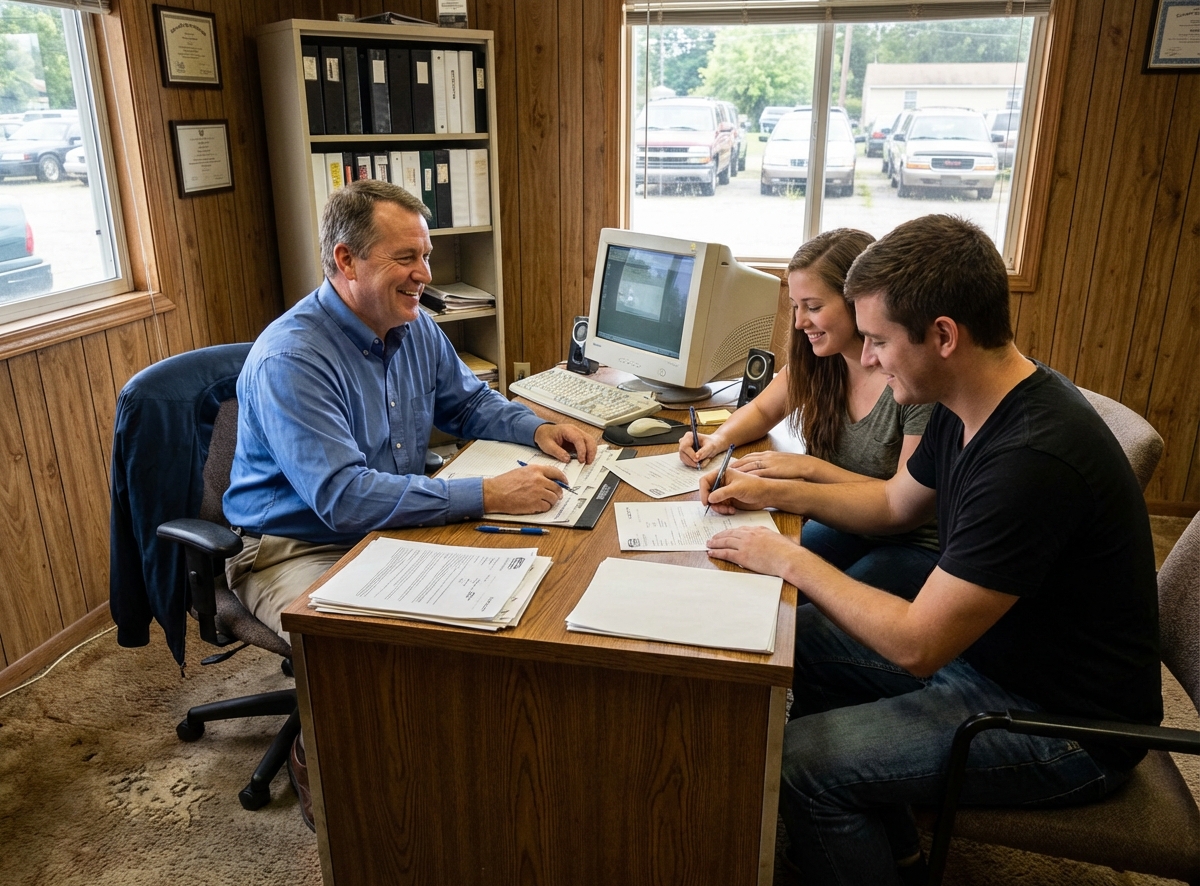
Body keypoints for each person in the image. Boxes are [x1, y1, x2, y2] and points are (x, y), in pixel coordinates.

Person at [703, 215, 1161, 886]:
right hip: (993, 657)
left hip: (1066, 727)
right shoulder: (965, 400)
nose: (870, 358)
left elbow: (919, 645)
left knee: (802, 764)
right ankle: (890, 854)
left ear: (943, 335)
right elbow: (894, 506)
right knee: (788, 636)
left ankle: (854, 836)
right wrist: (779, 498)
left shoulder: (1031, 459)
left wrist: (789, 559)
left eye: (882, 341)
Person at [223, 179, 595, 640]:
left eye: (426, 255)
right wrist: (487, 494)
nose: (425, 274)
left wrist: (537, 429)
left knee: (513, 599)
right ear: (346, 261)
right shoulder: (293, 360)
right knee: (363, 649)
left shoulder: (411, 323)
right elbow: (345, 498)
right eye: (405, 258)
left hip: (390, 519)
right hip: (299, 545)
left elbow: (469, 403)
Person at [680, 228, 938, 600]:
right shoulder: (822, 361)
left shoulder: (913, 383)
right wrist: (718, 439)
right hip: (846, 525)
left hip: (912, 545)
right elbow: (762, 408)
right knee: (748, 588)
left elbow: (899, 502)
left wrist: (805, 469)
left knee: (798, 623)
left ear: (859, 302)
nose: (800, 322)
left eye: (814, 307)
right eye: (797, 306)